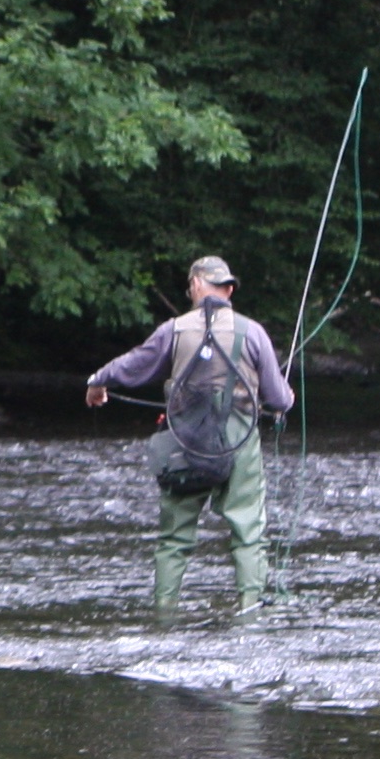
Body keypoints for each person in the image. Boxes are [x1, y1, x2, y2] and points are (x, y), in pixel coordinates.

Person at [86, 253, 296, 611]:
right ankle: (248, 611)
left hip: (185, 439)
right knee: (248, 531)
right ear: (228, 289)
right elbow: (279, 400)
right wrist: (286, 398)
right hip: (239, 439)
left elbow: (134, 364)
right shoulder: (253, 332)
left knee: (174, 536)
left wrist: (97, 380)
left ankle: (164, 613)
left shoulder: (173, 329)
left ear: (197, 285)